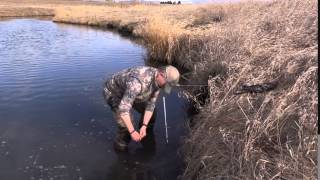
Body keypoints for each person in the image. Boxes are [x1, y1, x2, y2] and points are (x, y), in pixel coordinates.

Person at [103, 65, 180, 152]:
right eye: (166, 84)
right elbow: (123, 110)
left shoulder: (158, 81)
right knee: (126, 128)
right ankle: (120, 150)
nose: (165, 87)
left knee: (152, 113)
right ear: (161, 74)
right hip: (114, 93)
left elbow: (150, 105)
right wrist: (132, 131)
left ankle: (144, 133)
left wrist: (144, 125)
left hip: (132, 92)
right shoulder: (137, 83)